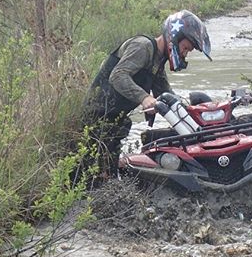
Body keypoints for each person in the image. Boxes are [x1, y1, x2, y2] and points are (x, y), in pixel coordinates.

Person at [83, 9, 212, 178]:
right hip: (94, 120)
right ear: (175, 36)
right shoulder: (143, 46)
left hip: (114, 121)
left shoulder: (157, 61)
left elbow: (166, 94)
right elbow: (118, 75)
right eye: (185, 48)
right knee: (93, 176)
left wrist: (195, 111)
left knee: (111, 173)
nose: (184, 53)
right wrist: (144, 98)